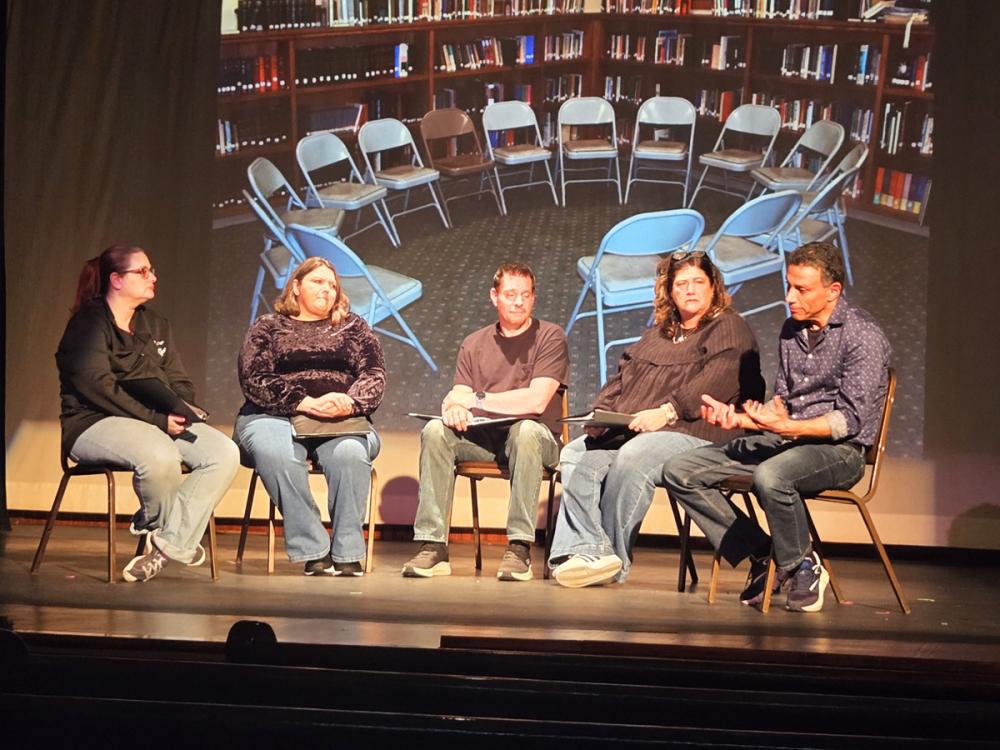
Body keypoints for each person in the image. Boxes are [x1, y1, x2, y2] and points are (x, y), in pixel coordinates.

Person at [662, 242, 890, 612]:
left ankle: (802, 565)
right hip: (789, 441)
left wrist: (790, 427)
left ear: (833, 291)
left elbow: (850, 421)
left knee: (771, 475)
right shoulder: (791, 330)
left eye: (801, 289)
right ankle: (765, 553)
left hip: (840, 451)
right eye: (789, 286)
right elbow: (784, 402)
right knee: (681, 470)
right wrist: (741, 418)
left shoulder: (862, 336)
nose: (789, 297)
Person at [549, 251, 764, 588]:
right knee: (575, 454)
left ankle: (612, 561)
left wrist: (666, 412)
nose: (690, 290)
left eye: (698, 283)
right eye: (681, 284)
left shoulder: (729, 327)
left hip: (701, 432)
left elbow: (716, 383)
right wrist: (601, 417)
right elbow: (620, 379)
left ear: (713, 287)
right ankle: (586, 551)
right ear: (669, 291)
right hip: (640, 430)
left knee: (636, 456)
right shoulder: (657, 334)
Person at [56, 245, 239, 583]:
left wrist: (181, 407)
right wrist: (156, 421)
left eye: (152, 270)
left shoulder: (155, 324)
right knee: (159, 452)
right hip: (93, 422)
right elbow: (95, 384)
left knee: (223, 452)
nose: (153, 277)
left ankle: (166, 544)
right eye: (143, 271)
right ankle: (176, 534)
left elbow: (178, 378)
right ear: (116, 279)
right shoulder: (89, 322)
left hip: (158, 421)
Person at [402, 262, 569, 582]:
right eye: (510, 294)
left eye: (525, 295)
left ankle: (519, 547)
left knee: (525, 430)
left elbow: (536, 401)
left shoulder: (550, 335)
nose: (518, 301)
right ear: (495, 297)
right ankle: (433, 546)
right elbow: (458, 394)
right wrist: (454, 408)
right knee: (436, 430)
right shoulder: (474, 343)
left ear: (533, 298)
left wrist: (475, 401)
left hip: (538, 440)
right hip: (485, 439)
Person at [235, 257, 385, 576]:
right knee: (277, 452)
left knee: (350, 454)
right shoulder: (268, 326)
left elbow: (374, 373)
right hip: (273, 414)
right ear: (296, 286)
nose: (327, 290)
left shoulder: (353, 327)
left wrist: (349, 401)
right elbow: (254, 377)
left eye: (333, 285)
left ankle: (346, 551)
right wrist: (303, 402)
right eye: (318, 282)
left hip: (339, 417)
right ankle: (313, 548)